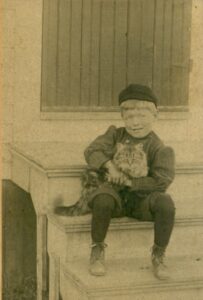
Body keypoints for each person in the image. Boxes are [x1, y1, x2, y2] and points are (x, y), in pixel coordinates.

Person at [84, 84, 175, 280]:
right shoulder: (115, 134)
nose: (135, 123)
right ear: (123, 118)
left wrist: (130, 183)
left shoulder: (159, 147)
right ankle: (97, 250)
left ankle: (158, 254)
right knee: (102, 199)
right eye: (129, 117)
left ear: (155, 115)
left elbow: (161, 181)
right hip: (114, 197)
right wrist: (110, 166)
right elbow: (92, 151)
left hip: (141, 202)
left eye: (141, 116)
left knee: (166, 203)